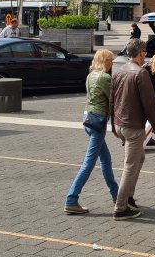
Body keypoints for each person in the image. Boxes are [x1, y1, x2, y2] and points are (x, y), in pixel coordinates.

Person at [110, 38, 155, 221]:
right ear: (140, 53)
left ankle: (128, 197)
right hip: (133, 125)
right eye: (145, 52)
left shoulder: (119, 71)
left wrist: (113, 125)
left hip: (120, 124)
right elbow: (149, 104)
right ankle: (121, 207)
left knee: (139, 158)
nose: (145, 54)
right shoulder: (140, 73)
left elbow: (112, 100)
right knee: (130, 166)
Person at [64, 50, 119, 215]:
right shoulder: (105, 78)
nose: (112, 63)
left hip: (87, 118)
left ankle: (116, 194)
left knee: (106, 159)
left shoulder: (91, 75)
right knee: (89, 163)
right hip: (98, 121)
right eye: (111, 60)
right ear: (105, 61)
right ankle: (71, 199)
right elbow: (114, 99)